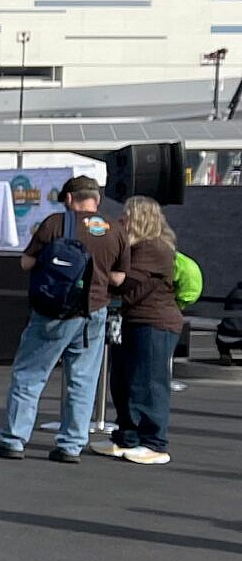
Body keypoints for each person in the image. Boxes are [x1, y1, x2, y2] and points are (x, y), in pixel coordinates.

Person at [0, 175, 123, 462]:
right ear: (96, 200)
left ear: (70, 199)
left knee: (30, 374)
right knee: (82, 380)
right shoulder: (114, 230)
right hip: (94, 313)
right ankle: (71, 445)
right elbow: (119, 278)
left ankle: (14, 439)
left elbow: (26, 262)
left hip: (54, 313)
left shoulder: (56, 224)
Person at [103, 196, 181, 464]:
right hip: (133, 320)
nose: (121, 219)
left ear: (139, 218)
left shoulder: (154, 248)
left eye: (126, 215)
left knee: (148, 383)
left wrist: (101, 277)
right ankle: (128, 436)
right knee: (122, 380)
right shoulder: (136, 247)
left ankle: (154, 442)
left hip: (154, 323)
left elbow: (126, 284)